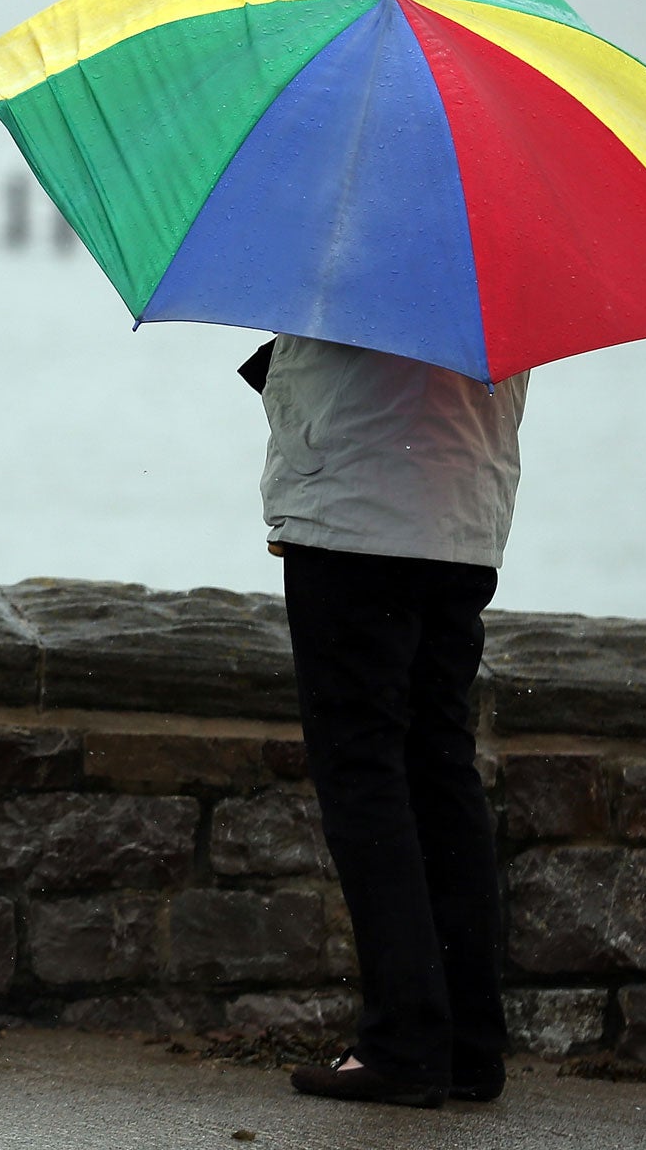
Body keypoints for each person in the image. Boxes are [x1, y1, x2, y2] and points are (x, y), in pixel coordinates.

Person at [243, 333, 528, 1110]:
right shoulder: (492, 245)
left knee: (362, 769)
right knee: (440, 765)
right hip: (463, 521)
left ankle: (404, 1042)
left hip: (354, 524)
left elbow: (353, 390)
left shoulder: (346, 229)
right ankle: (468, 1043)